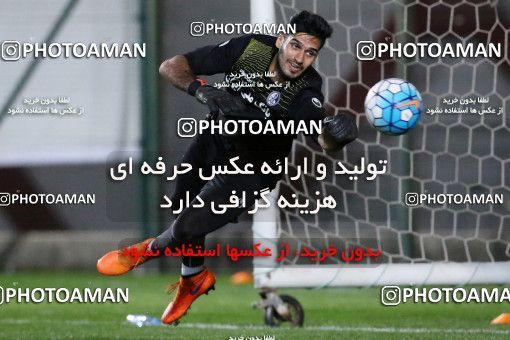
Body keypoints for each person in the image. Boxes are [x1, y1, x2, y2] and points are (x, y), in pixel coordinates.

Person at [97, 10, 357, 325]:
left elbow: (320, 138)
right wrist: (201, 89)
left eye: (310, 52)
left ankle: (144, 251)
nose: (300, 58)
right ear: (280, 40)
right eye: (296, 46)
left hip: (256, 166)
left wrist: (337, 136)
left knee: (193, 224)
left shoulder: (307, 91)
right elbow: (171, 67)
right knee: (181, 207)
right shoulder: (250, 50)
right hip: (215, 141)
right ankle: (193, 278)